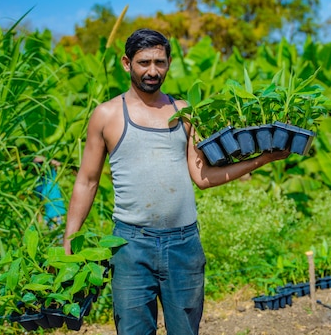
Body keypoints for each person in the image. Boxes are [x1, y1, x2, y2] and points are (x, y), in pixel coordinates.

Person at [63, 28, 289, 335]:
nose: (153, 71)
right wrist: (69, 241)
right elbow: (86, 181)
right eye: (144, 62)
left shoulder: (184, 112)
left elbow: (203, 177)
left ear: (169, 63)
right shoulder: (106, 115)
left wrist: (261, 160)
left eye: (160, 62)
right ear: (127, 63)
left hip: (183, 244)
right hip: (130, 245)